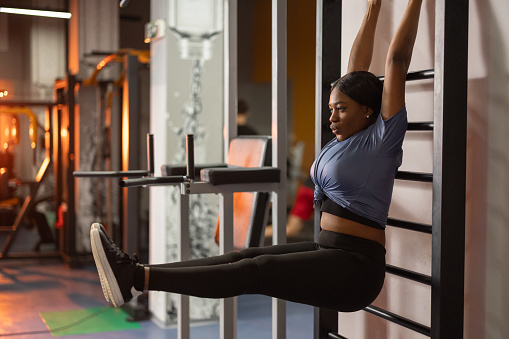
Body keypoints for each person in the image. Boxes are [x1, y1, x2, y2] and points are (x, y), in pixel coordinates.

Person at [90, 0, 423, 312]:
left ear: (367, 110)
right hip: (329, 250)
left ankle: (135, 279)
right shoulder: (344, 136)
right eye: (331, 108)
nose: (331, 117)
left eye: (341, 109)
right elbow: (355, 72)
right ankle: (135, 275)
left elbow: (396, 60)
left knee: (256, 269)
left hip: (356, 268)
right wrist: (373, 6)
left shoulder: (382, 139)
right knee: (244, 257)